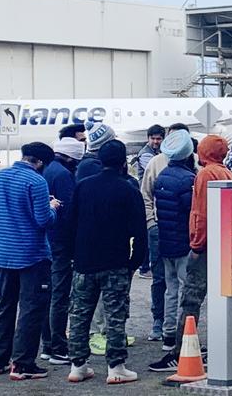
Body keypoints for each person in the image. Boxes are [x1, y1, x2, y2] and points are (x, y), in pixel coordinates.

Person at [149, 134, 232, 372]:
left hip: (204, 247)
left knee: (190, 299)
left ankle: (180, 351)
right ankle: (212, 345)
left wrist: (196, 246)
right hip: (223, 245)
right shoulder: (227, 172)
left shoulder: (205, 174)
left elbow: (199, 214)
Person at [67, 140, 147, 384]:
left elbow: (69, 225)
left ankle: (78, 365)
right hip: (116, 262)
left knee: (80, 315)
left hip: (84, 262)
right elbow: (139, 232)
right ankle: (116, 367)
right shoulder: (128, 189)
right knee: (115, 316)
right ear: (124, 161)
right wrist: (135, 262)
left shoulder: (82, 187)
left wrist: (73, 256)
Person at [0, 142, 61, 380]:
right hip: (31, 254)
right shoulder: (37, 181)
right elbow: (43, 220)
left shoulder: (0, 177)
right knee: (31, 308)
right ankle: (23, 364)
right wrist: (53, 207)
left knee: (5, 306)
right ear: (39, 162)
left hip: (4, 253)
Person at [140, 123, 191, 343]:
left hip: (177, 233)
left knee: (174, 283)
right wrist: (151, 223)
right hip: (164, 231)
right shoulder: (156, 163)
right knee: (162, 279)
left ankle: (172, 330)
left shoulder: (193, 163)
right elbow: (145, 195)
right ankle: (160, 324)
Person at [40, 137, 85, 365]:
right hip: (62, 243)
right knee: (60, 294)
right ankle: (58, 346)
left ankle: (48, 344)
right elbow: (70, 212)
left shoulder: (49, 170)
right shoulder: (64, 175)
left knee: (50, 293)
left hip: (49, 240)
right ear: (72, 158)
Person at [153, 130, 195, 352]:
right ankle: (182, 336)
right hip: (183, 243)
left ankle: (168, 334)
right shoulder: (187, 179)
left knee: (170, 290)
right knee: (186, 291)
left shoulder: (162, 176)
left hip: (165, 241)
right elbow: (192, 212)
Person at [135, 125, 166, 279]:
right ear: (148, 138)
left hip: (155, 199)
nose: (155, 141)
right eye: (152, 138)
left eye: (158, 139)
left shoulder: (157, 153)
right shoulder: (146, 155)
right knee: (148, 235)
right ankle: (145, 267)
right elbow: (157, 173)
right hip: (146, 199)